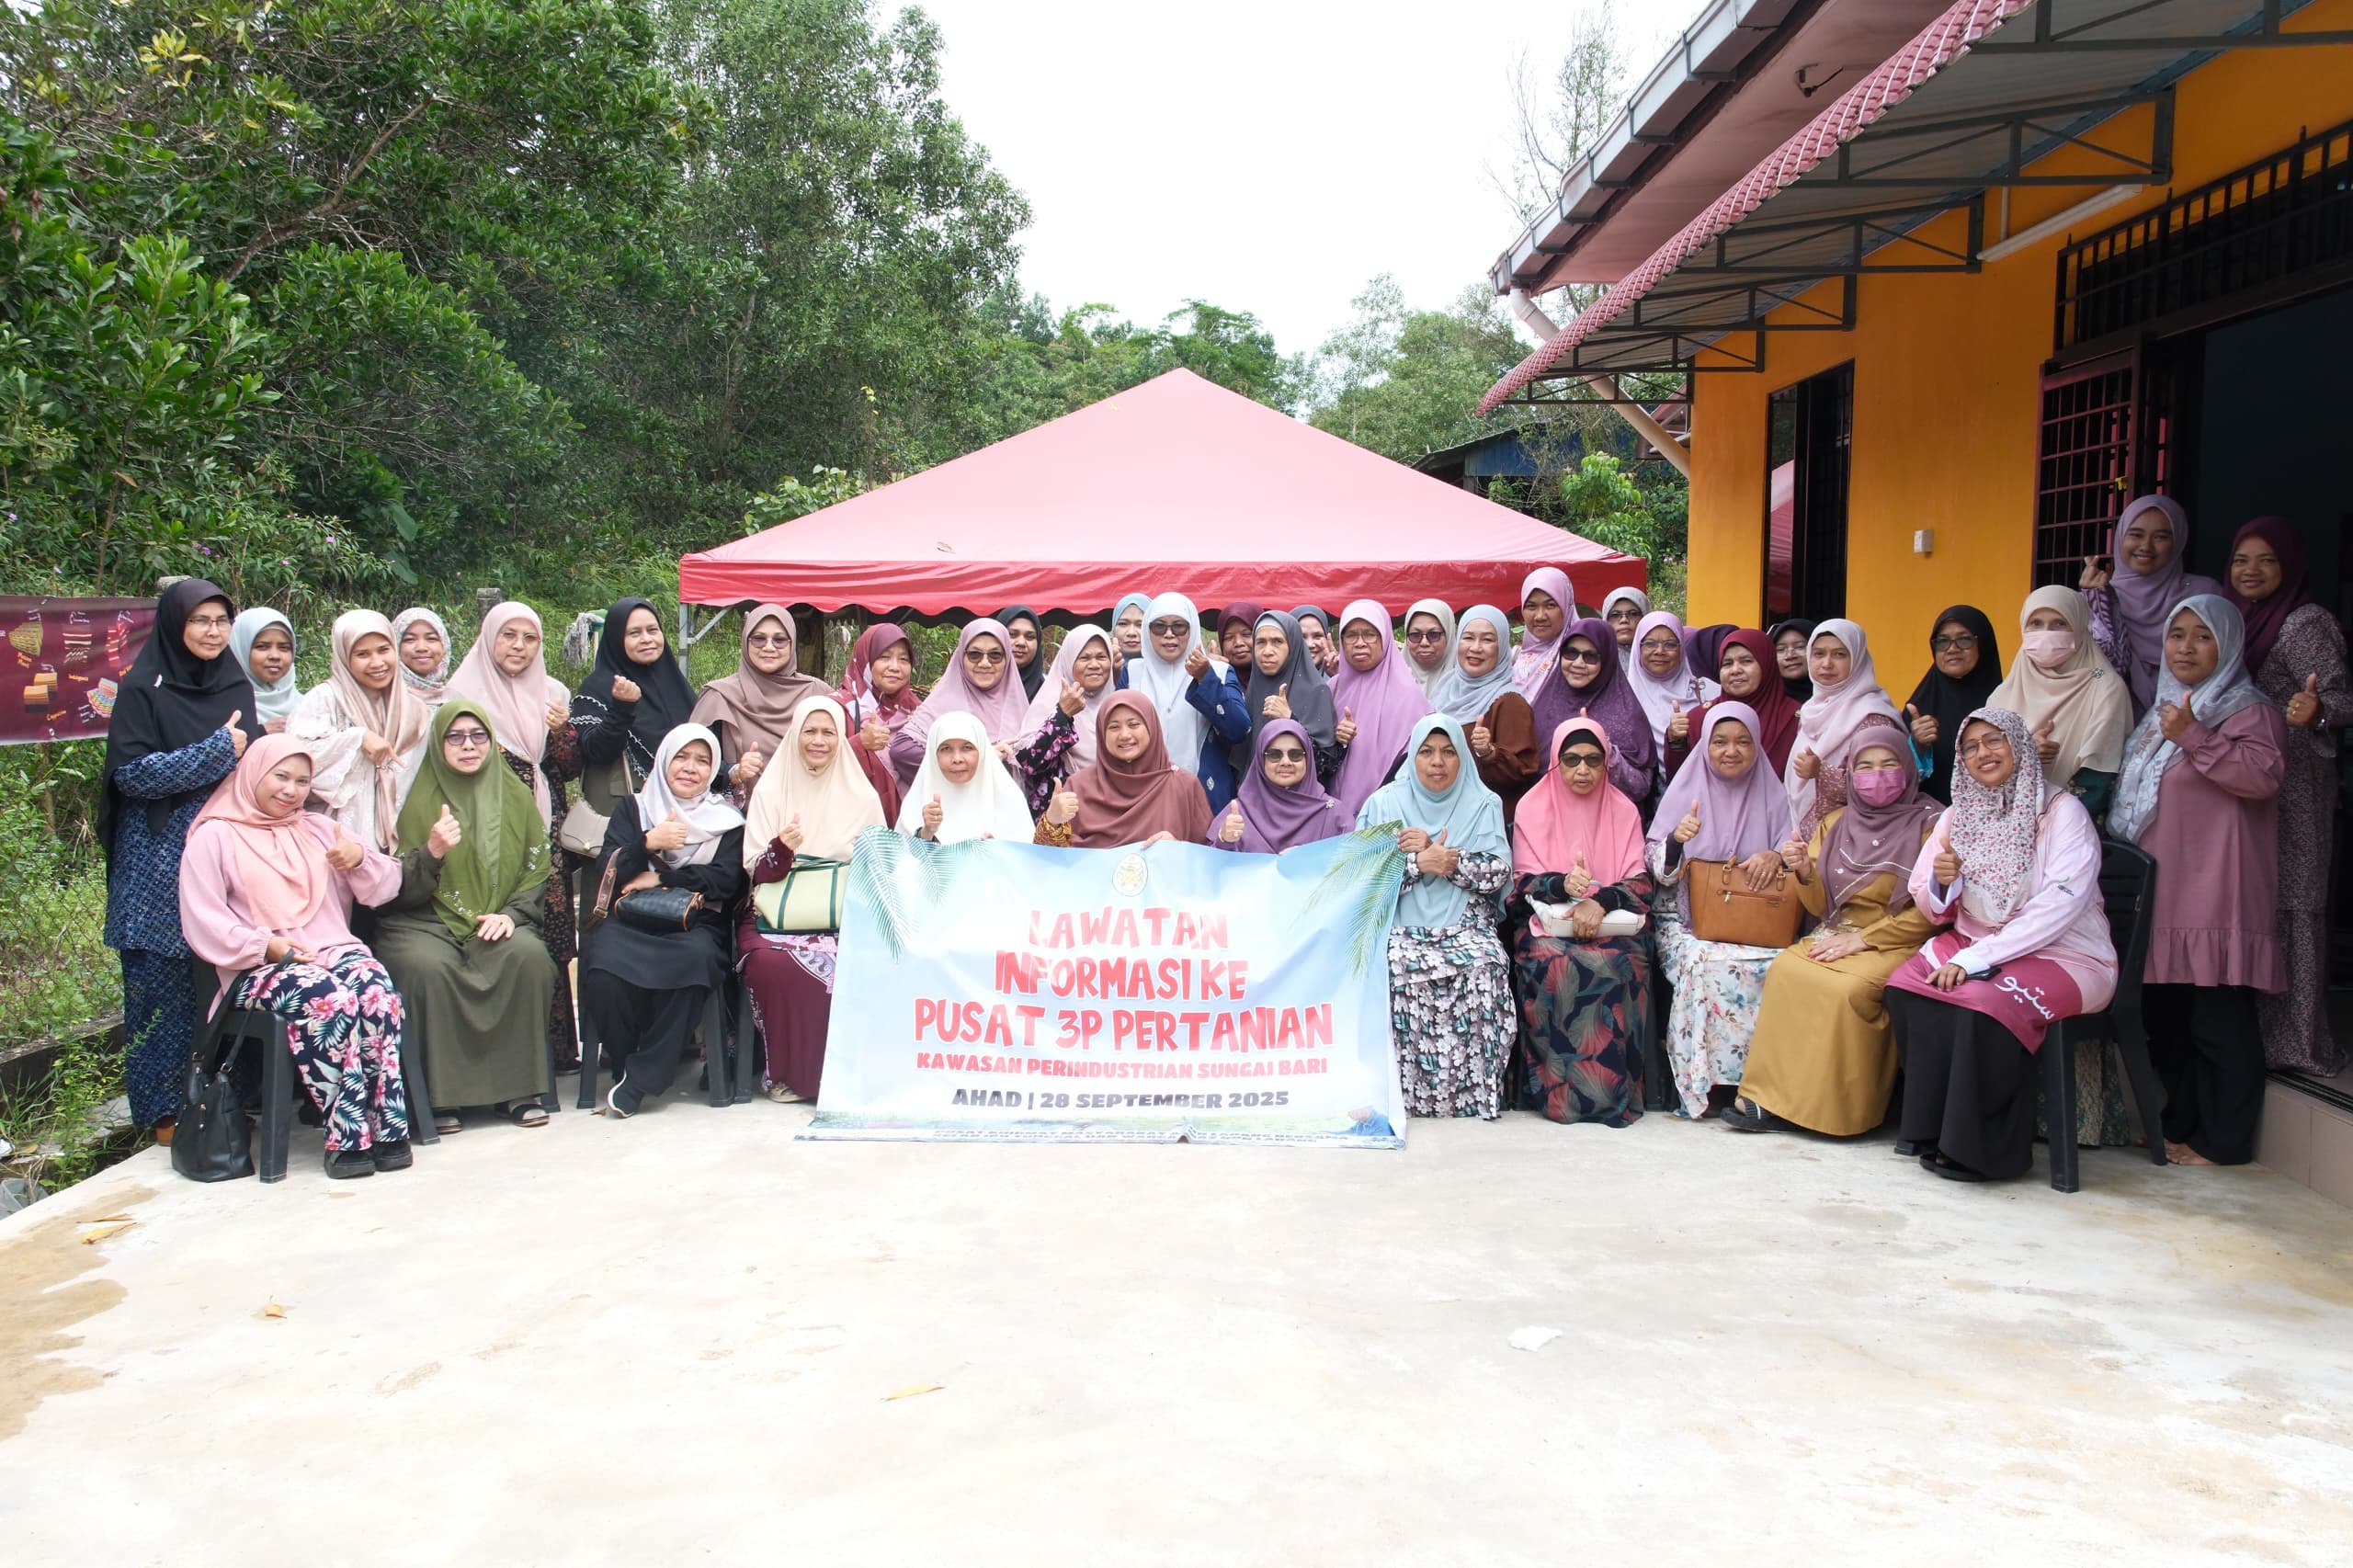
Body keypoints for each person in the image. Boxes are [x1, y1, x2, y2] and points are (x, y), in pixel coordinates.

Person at [1886, 708, 2118, 1181]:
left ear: (2019, 745)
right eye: (1970, 748)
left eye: (1994, 741)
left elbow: (2062, 904)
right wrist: (1943, 884)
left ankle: (1983, 1150)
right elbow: (1931, 908)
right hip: (1977, 942)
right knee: (1905, 986)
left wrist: (1978, 959)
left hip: (2068, 953)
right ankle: (1932, 1130)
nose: (1981, 754)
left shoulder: (2060, 812)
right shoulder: (1957, 816)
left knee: (1982, 1002)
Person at [177, 734, 411, 1178]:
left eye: (302, 781)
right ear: (252, 774)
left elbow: (385, 885)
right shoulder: (215, 836)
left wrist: (359, 857)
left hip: (332, 948)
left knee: (377, 993)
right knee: (328, 999)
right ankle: (347, 1137)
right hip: (261, 964)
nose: (291, 790)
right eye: (280, 776)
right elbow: (202, 918)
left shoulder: (318, 828)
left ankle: (389, 1128)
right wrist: (266, 945)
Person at [2107, 597, 2285, 1165]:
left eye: (2201, 636)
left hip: (2215, 893)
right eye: (2176, 635)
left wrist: (2195, 737)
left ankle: (2222, 1143)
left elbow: (2261, 778)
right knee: (2169, 1022)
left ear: (2227, 644)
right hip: (2164, 894)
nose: (2185, 647)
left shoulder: (2248, 711)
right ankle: (2179, 1123)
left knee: (2217, 1023)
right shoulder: (2161, 712)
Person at [1726, 730, 1939, 1136]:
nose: (1877, 775)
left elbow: (1932, 912)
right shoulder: (1835, 823)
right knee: (1788, 969)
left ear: (1909, 767)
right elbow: (1821, 906)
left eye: (1889, 764)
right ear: (1850, 774)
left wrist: (1865, 939)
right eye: (1864, 766)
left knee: (1846, 991)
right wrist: (1805, 873)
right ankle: (1769, 1097)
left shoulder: (1932, 825)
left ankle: (1834, 1113)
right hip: (1838, 930)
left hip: (1900, 939)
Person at [102, 579, 255, 1135]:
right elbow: (134, 776)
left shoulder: (234, 685)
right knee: (161, 988)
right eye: (200, 621)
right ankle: (165, 1114)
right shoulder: (144, 688)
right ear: (174, 624)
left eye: (220, 621)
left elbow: (253, 770)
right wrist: (218, 751)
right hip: (157, 859)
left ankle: (224, 1107)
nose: (213, 632)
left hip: (226, 850)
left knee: (222, 979)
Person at [372, 700, 557, 1132]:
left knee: (526, 957)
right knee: (425, 969)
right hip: (422, 920)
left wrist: (511, 914)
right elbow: (390, 889)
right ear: (439, 744)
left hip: (494, 918)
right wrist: (432, 853)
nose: (469, 746)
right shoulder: (409, 797)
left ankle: (517, 1091)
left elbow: (536, 868)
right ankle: (439, 1097)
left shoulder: (513, 793)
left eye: (479, 736)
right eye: (455, 737)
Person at [2225, 516, 2350, 1077]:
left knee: (2295, 908)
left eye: (2266, 560)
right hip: (2253, 785)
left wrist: (2318, 712)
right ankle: (2258, 1035)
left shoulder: (2305, 623)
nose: (2251, 571)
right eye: (2241, 560)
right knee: (2258, 906)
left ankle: (2298, 1043)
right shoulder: (2236, 622)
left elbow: (2343, 699)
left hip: (2297, 790)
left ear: (2291, 565)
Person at [444, 600, 585, 1067]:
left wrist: (564, 731)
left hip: (545, 833)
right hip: (486, 837)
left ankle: (554, 1055)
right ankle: (502, 1060)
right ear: (489, 638)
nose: (520, 647)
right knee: (500, 932)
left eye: (530, 638)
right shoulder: (462, 695)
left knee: (551, 939)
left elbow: (566, 769)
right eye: (509, 635)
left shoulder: (550, 692)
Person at [580, 723, 745, 1118]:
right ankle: (626, 1062)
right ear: (664, 762)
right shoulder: (635, 808)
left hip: (695, 924)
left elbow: (728, 881)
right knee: (601, 966)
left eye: (703, 761)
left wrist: (663, 876)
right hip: (631, 920)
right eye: (682, 758)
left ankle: (640, 1081)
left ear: (713, 770)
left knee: (696, 962)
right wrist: (648, 843)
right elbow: (608, 868)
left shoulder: (726, 820)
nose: (691, 768)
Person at [1356, 715, 1514, 1119]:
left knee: (1486, 966)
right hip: (1401, 925)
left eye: (1448, 752)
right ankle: (1400, 1100)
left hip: (1466, 926)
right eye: (1426, 752)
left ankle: (1476, 1097)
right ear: (1412, 756)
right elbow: (1364, 881)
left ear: (1463, 757)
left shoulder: (1483, 804)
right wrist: (1415, 864)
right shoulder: (1383, 804)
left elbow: (1498, 873)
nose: (1437, 762)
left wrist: (1449, 861)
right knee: (1390, 966)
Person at [1647, 704, 1796, 1117]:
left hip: (1758, 926)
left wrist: (1776, 857)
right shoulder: (1685, 791)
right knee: (1703, 965)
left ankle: (1766, 1086)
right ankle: (1706, 1087)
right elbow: (1657, 871)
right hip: (1686, 922)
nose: (1731, 751)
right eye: (1720, 742)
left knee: (1783, 967)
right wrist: (1677, 839)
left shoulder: (1773, 791)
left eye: (1743, 741)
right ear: (1705, 745)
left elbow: (1796, 851)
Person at [1508, 717, 1654, 1126]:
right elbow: (1520, 888)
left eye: (1593, 760)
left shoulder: (1622, 809)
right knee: (1556, 964)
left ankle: (1614, 1096)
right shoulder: (1533, 807)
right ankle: (1560, 1097)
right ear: (1555, 762)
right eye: (1571, 760)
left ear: (1607, 762)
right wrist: (1561, 885)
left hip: (1612, 925)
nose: (1583, 771)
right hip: (1548, 928)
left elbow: (1641, 882)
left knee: (1622, 962)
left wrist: (1600, 901)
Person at [741, 696, 886, 1103]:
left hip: (844, 913)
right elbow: (756, 872)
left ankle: (852, 1076)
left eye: (829, 732)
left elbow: (879, 869)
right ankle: (790, 1076)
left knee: (864, 960)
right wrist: (782, 848)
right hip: (776, 914)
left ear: (841, 738)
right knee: (773, 964)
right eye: (810, 731)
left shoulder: (861, 795)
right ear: (795, 734)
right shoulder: (773, 790)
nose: (819, 741)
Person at [289, 609, 430, 853]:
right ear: (344, 657)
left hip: (401, 831)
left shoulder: (413, 709)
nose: (377, 663)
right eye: (363, 654)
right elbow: (294, 761)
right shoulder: (325, 700)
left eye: (384, 650)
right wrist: (357, 738)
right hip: (334, 838)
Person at [1984, 586, 2133, 812]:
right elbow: (1981, 767)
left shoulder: (2105, 688)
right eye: (2036, 624)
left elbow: (2099, 777)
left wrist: (2050, 822)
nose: (2047, 633)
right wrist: (2023, 753)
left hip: (2070, 828)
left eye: (2060, 623)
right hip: (2008, 825)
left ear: (2080, 627)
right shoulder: (2003, 694)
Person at [2084, 494, 2224, 717]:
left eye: (2161, 537)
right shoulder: (2100, 596)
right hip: (2114, 722)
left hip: (2194, 719)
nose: (2146, 546)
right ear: (2120, 538)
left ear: (2178, 541)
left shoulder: (2204, 595)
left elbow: (2226, 665)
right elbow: (2092, 671)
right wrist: (2096, 602)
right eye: (2136, 535)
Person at [689, 605, 834, 806]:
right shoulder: (720, 697)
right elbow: (692, 762)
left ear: (792, 644)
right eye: (758, 639)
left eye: (779, 640)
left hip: (811, 816)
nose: (768, 647)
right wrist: (734, 771)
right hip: (740, 825)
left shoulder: (818, 693)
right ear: (745, 641)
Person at [1119, 593, 1250, 811]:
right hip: (1142, 796)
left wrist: (1205, 678)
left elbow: (1239, 729)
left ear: (1193, 629)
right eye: (1159, 627)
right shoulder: (1132, 672)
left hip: (1203, 796)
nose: (1169, 634)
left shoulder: (1218, 671)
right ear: (1147, 631)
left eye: (1179, 626)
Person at [1037, 694, 1214, 849]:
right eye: (1114, 727)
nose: (1124, 735)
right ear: (1102, 733)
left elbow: (1206, 859)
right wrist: (1052, 821)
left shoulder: (1183, 786)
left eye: (1134, 724)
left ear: (1151, 727)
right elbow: (1048, 863)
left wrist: (1177, 849)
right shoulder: (1079, 786)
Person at [572, 596, 698, 813]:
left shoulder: (675, 684)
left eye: (653, 630)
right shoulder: (598, 688)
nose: (647, 639)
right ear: (616, 638)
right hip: (625, 814)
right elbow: (595, 751)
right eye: (634, 633)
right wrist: (622, 708)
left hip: (683, 809)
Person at [1786, 619, 1904, 840]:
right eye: (1819, 654)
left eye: (1840, 654)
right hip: (1807, 850)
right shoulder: (1811, 711)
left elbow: (1883, 788)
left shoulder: (1873, 716)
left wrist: (1821, 773)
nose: (1827, 664)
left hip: (1857, 845)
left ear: (1857, 659)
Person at [887, 618, 1030, 790]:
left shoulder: (1020, 708)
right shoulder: (943, 702)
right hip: (952, 809)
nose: (984, 663)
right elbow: (901, 752)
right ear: (961, 657)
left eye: (995, 655)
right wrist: (979, 761)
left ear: (1007, 659)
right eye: (974, 655)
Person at [1529, 617, 1655, 809]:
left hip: (1607, 822)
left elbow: (1640, 787)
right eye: (1571, 654)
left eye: (1590, 657)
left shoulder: (1627, 714)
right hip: (1549, 819)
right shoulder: (1544, 705)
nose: (1578, 663)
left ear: (1607, 660)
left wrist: (1603, 747)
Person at [1427, 605, 1540, 820]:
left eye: (1487, 640)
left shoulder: (1509, 702)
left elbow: (1525, 772)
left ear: (1502, 648)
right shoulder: (1446, 686)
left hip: (1483, 825)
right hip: (1439, 817)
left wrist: (1489, 753)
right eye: (1468, 638)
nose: (1476, 648)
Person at [1326, 600, 1431, 817]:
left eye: (1370, 634)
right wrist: (1335, 740)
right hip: (1333, 815)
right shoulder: (1332, 689)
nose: (1360, 643)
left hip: (1389, 814)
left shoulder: (1408, 696)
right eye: (1351, 635)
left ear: (1385, 638)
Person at [1663, 629, 1799, 781]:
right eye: (1727, 663)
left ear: (1767, 664)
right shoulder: (1699, 718)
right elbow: (1681, 779)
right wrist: (1675, 739)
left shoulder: (1795, 718)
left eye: (1746, 661)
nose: (1735, 670)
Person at [1009, 624, 1113, 814]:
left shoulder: (1116, 705)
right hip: (1059, 823)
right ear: (1068, 662)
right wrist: (1063, 714)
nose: (1095, 664)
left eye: (1101, 657)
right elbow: (1028, 763)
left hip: (1107, 815)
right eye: (1084, 658)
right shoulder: (1048, 702)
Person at [1904, 607, 2004, 801]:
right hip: (1930, 823)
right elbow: (1897, 777)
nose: (1952, 649)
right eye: (1942, 641)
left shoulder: (2006, 701)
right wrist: (1918, 746)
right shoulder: (1919, 706)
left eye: (1964, 639)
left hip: (1996, 817)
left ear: (1983, 643)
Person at [1211, 719, 1347, 853]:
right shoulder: (1238, 815)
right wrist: (1224, 840)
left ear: (1308, 758)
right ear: (1260, 759)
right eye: (1274, 755)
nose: (1286, 762)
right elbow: (1212, 868)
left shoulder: (1332, 815)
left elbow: (1355, 867)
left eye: (1296, 754)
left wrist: (1309, 860)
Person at [899, 711, 1036, 843]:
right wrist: (927, 832)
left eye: (967, 748)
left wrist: (996, 850)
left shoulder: (1009, 799)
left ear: (982, 751)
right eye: (946, 749)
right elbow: (902, 860)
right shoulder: (918, 803)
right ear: (933, 755)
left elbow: (1024, 859)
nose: (957, 759)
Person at [1244, 609, 1342, 787]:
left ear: (1293, 645)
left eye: (1277, 642)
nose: (1267, 651)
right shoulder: (1254, 687)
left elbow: (1327, 763)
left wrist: (1290, 719)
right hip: (1255, 799)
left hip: (1300, 800)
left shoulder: (1316, 691)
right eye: (1260, 642)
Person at [835, 621, 922, 790]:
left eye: (903, 659)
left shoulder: (918, 711)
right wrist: (859, 743)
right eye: (884, 657)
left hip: (913, 814)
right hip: (858, 814)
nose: (895, 667)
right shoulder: (839, 709)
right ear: (865, 659)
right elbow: (814, 764)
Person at [1629, 609, 1718, 757]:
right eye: (1650, 644)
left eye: (1670, 644)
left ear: (1682, 648)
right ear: (1638, 647)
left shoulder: (1708, 691)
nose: (1660, 651)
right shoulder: (1621, 697)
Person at [230, 608, 300, 735]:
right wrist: (260, 732)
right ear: (240, 649)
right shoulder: (224, 705)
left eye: (284, 648)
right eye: (262, 647)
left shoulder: (306, 705)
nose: (275, 656)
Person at [1511, 568, 1574, 698]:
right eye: (1531, 606)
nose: (1540, 616)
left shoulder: (1582, 658)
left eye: (1550, 605)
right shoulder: (1514, 660)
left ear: (1566, 605)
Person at [392, 608, 453, 709]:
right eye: (410, 640)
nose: (421, 648)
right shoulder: (387, 701)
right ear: (396, 645)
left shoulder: (456, 700)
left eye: (431, 639)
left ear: (444, 645)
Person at [1401, 599, 1456, 698]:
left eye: (1434, 635)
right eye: (1415, 635)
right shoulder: (1390, 682)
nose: (1424, 643)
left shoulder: (1468, 685)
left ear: (1449, 635)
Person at [995, 606, 1047, 700]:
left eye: (1030, 637)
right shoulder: (978, 685)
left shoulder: (1050, 691)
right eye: (1012, 634)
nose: (1021, 643)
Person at [1767, 619, 1816, 702]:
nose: (1790, 656)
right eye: (1781, 649)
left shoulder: (1838, 696)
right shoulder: (1766, 699)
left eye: (1800, 647)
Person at [1600, 587, 1649, 673]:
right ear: (1606, 620)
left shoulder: (1660, 656)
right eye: (1615, 615)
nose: (1624, 620)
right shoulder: (1596, 660)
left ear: (1645, 617)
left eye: (1633, 613)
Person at [1294, 607, 1341, 678]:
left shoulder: (1339, 674)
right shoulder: (1276, 677)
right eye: (1302, 637)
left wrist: (1339, 678)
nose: (1310, 644)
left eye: (1317, 636)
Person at [1216, 602, 1264, 670]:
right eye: (1229, 637)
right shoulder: (1210, 676)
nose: (1238, 643)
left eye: (1246, 634)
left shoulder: (1281, 678)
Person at [1111, 594, 1151, 665]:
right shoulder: (1100, 670)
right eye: (1123, 624)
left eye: (1140, 625)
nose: (1131, 633)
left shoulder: (1169, 670)